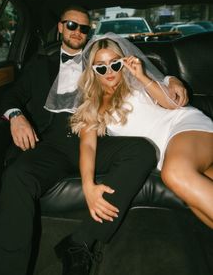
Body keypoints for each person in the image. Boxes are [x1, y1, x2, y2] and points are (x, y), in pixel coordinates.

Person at [0, 6, 188, 275]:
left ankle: (82, 241)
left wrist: (172, 78)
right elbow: (10, 96)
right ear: (60, 27)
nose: (77, 32)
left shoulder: (102, 58)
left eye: (84, 28)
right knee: (17, 175)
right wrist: (16, 116)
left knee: (142, 150)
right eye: (71, 25)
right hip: (52, 142)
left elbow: (145, 70)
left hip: (97, 136)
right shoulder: (40, 64)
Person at [70, 33, 213, 231]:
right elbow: (88, 145)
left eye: (115, 63)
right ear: (93, 71)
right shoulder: (91, 108)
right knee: (196, 201)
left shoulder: (135, 83)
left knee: (176, 174)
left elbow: (172, 104)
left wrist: (142, 76)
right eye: (101, 67)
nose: (109, 71)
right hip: (167, 155)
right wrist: (88, 185)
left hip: (183, 127)